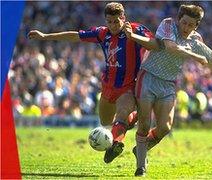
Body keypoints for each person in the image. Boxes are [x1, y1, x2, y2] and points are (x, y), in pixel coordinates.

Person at [28, 2, 158, 164]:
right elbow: (75, 35)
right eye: (109, 22)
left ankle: (116, 143)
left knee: (121, 115)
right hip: (108, 87)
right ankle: (132, 118)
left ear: (123, 18)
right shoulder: (102, 33)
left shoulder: (136, 29)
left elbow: (156, 44)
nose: (112, 25)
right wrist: (46, 36)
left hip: (129, 86)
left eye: (116, 21)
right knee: (105, 122)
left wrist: (136, 38)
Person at [126, 4, 212, 176]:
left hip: (168, 83)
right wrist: (194, 55)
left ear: (197, 25)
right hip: (148, 78)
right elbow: (170, 47)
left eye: (191, 25)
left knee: (165, 128)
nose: (186, 28)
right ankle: (140, 167)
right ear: (179, 19)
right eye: (184, 23)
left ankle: (140, 148)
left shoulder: (196, 39)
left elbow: (210, 60)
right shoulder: (168, 25)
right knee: (144, 124)